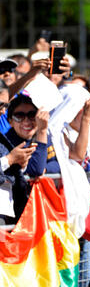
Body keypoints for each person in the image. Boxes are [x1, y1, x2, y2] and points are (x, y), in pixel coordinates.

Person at [0, 81, 36, 225]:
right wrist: (9, 160)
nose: (3, 111)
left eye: (5, 106)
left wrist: (19, 165)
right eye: (0, 105)